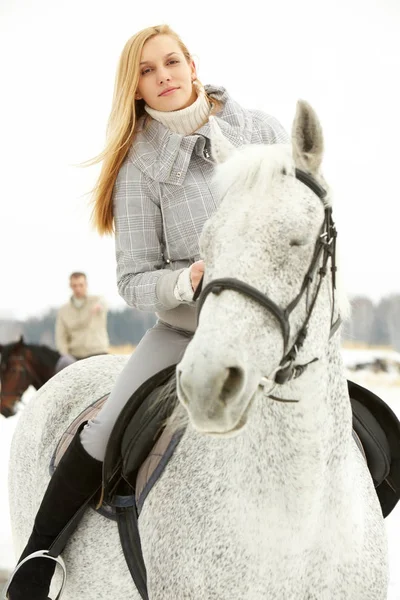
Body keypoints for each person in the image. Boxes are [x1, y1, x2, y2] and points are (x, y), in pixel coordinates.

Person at [7, 24, 288, 599]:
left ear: (192, 64)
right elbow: (133, 280)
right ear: (134, 89)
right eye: (147, 71)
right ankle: (39, 555)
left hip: (270, 322)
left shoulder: (261, 130)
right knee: (108, 427)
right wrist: (185, 281)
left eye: (170, 63)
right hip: (187, 328)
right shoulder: (138, 166)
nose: (163, 77)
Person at [54, 272, 109, 372]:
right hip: (75, 357)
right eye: (75, 286)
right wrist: (65, 353)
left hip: (97, 353)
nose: (78, 289)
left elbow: (104, 303)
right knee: (63, 363)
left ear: (86, 285)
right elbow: (61, 336)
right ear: (70, 286)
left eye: (81, 285)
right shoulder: (63, 310)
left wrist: (99, 306)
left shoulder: (96, 300)